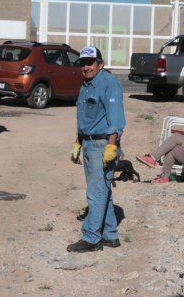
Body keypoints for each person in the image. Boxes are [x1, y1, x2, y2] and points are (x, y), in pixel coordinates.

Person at [67, 46, 126, 253]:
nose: (86, 67)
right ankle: (110, 235)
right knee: (103, 191)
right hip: (89, 143)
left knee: (95, 193)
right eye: (83, 63)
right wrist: (78, 142)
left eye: (90, 63)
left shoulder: (110, 84)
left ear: (100, 64)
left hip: (102, 145)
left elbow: (116, 118)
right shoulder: (86, 85)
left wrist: (112, 145)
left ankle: (91, 238)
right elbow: (85, 118)